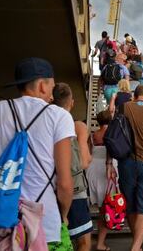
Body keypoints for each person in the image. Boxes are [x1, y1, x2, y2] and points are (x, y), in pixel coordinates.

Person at [0, 58, 75, 247]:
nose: (52, 92)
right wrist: (63, 215)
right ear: (42, 85)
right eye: (51, 85)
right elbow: (65, 184)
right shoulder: (59, 116)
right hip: (44, 224)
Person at [106, 85, 143, 251]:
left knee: (131, 206)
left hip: (127, 164)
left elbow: (112, 135)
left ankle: (137, 245)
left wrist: (109, 163)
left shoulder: (124, 107)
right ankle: (136, 247)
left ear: (135, 95)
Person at [53, 83, 93, 251]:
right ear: (72, 102)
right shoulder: (74, 125)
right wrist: (83, 138)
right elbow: (83, 162)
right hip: (73, 190)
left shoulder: (46, 121)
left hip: (46, 190)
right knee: (83, 240)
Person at [85, 110, 113, 251]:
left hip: (93, 168)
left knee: (97, 205)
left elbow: (88, 154)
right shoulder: (113, 134)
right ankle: (101, 242)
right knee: (106, 206)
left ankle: (87, 239)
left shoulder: (92, 135)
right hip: (107, 169)